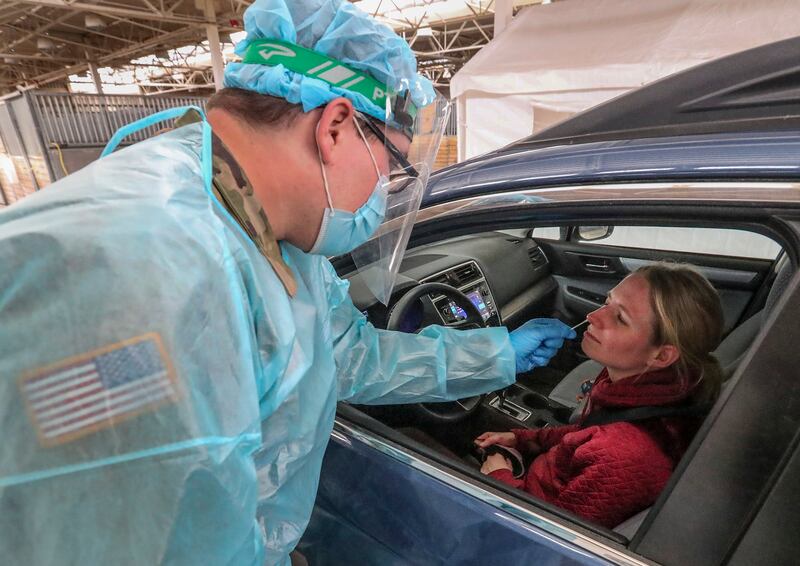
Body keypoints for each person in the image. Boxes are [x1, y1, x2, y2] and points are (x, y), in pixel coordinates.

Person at [0, 1, 575, 565]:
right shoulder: (147, 262)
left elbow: (346, 355)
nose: (383, 196)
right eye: (393, 168)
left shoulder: (267, 233)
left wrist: (495, 352)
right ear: (336, 127)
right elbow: (144, 532)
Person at [475, 264, 724, 529]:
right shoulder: (640, 386)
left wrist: (499, 476)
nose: (594, 316)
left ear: (662, 355)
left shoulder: (625, 459)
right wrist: (526, 439)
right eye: (607, 301)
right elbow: (589, 430)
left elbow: (547, 533)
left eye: (620, 318)